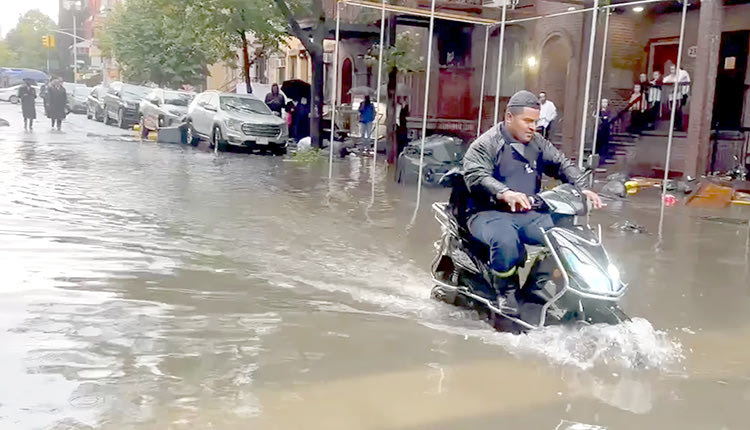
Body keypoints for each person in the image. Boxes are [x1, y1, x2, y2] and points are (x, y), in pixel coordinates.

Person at [462, 90, 603, 310]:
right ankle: (506, 292)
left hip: (528, 212)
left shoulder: (538, 143)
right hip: (487, 213)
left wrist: (582, 189)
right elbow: (476, 175)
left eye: (536, 122)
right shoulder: (486, 144)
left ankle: (543, 284)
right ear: (509, 117)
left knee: (561, 235)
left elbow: (561, 164)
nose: (533, 127)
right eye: (527, 121)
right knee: (506, 240)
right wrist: (504, 192)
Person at [662, 65, 690, 131]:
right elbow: (664, 80)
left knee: (678, 110)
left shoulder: (680, 75)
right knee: (672, 111)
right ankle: (674, 125)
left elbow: (679, 80)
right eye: (671, 69)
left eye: (673, 69)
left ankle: (679, 126)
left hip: (678, 96)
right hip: (671, 96)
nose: (672, 70)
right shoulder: (669, 77)